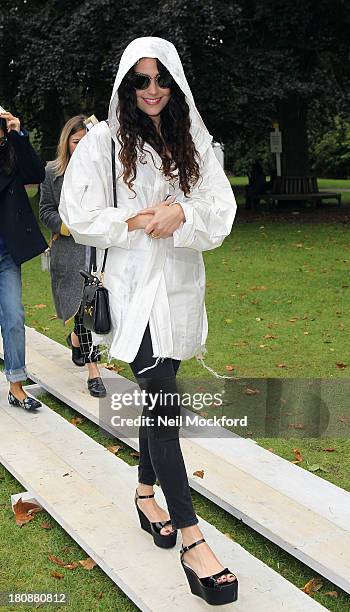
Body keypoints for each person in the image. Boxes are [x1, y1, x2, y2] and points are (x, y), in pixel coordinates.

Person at [59, 37, 238, 605]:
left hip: (180, 289)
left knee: (157, 396)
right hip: (132, 291)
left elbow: (221, 211)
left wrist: (181, 213)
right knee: (162, 398)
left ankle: (143, 494)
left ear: (176, 84)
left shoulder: (196, 143)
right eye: (140, 80)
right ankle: (192, 538)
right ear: (124, 85)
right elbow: (76, 212)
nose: (152, 89)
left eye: (161, 79)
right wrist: (137, 221)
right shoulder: (105, 143)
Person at [39, 115, 106, 397]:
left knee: (94, 303)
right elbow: (45, 211)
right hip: (68, 251)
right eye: (77, 141)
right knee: (81, 305)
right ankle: (94, 372)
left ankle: (77, 339)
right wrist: (66, 228)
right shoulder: (52, 172)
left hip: (98, 250)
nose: (82, 146)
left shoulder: (101, 172)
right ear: (66, 142)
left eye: (87, 141)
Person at [0, 109, 47, 410]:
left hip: (6, 254)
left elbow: (36, 174)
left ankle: (16, 385)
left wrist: (18, 134)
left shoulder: (11, 151)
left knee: (14, 317)